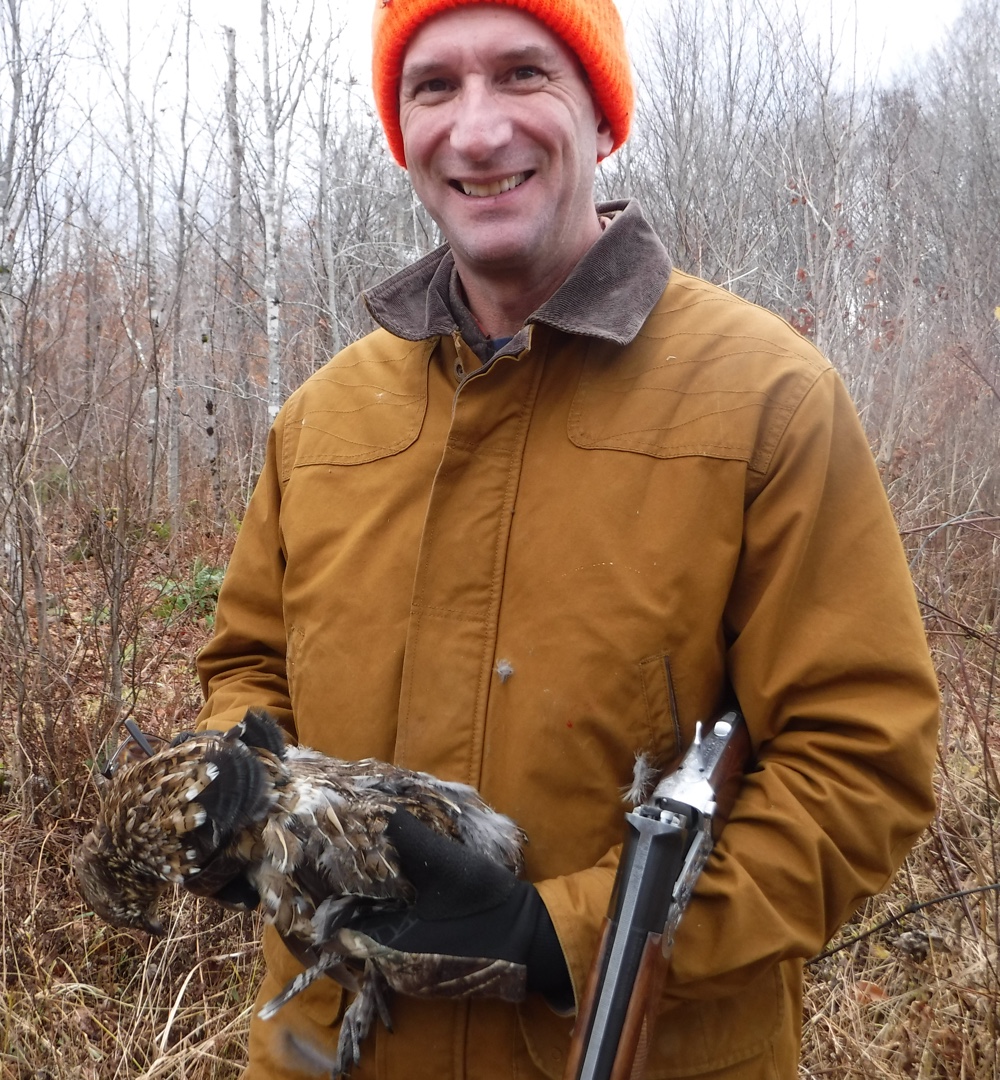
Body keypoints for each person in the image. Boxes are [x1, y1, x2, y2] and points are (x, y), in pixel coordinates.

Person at [194, 1, 940, 1077]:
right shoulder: (325, 420)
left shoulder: (764, 401)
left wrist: (567, 939)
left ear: (602, 119)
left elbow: (859, 761)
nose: (479, 130)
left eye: (524, 75)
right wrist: (244, 795)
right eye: (434, 86)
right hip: (329, 1056)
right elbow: (247, 666)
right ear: (403, 135)